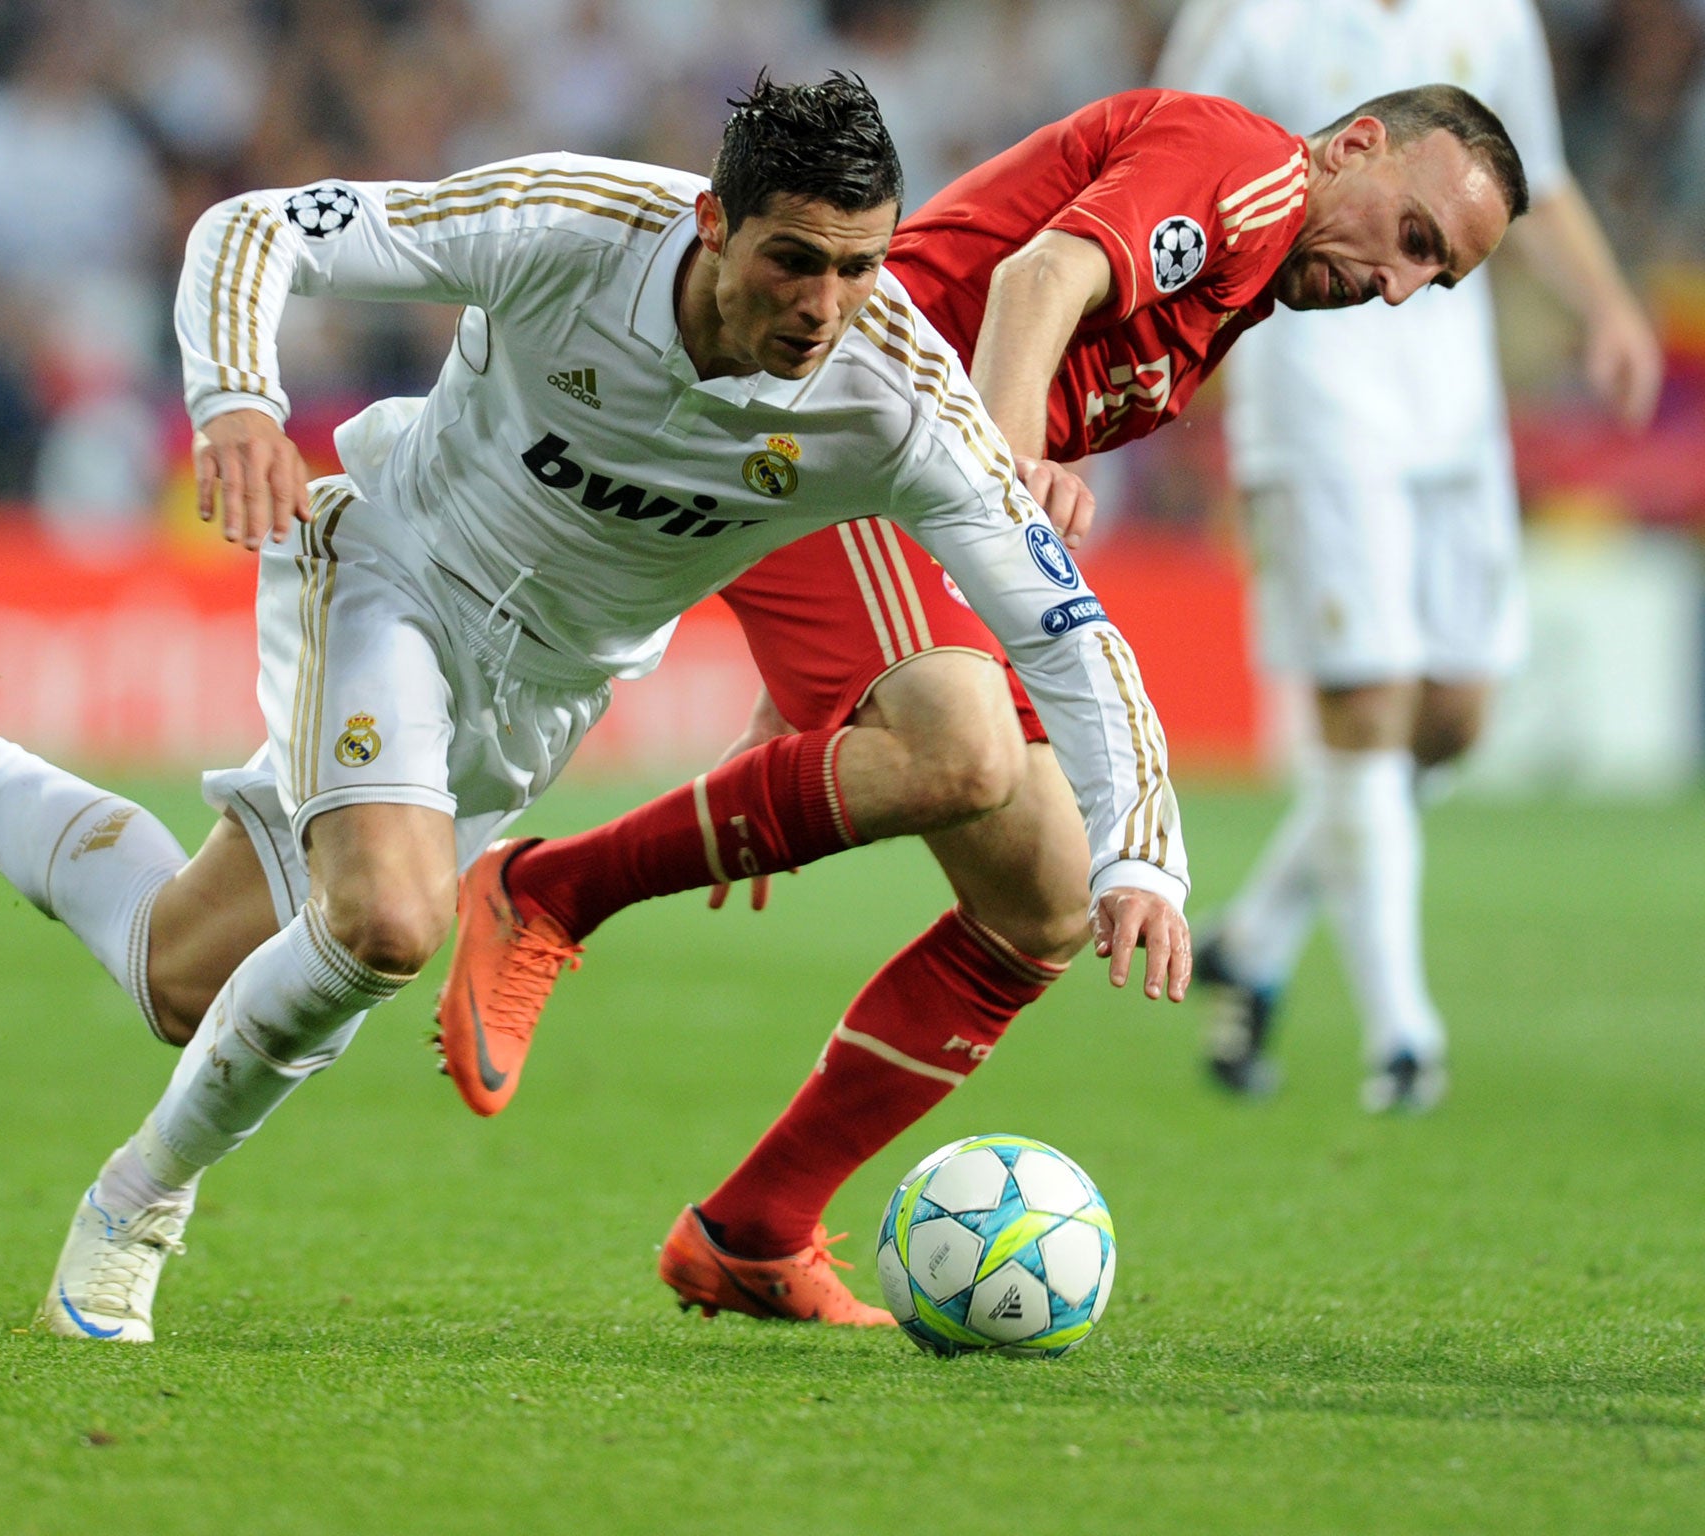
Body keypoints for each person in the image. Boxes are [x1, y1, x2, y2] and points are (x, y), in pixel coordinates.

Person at [0, 74, 1191, 1343]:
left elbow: (1064, 634)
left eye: (862, 268)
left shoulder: (895, 398)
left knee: (180, 976)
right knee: (394, 924)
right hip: (394, 577)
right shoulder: (573, 227)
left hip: (541, 698)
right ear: (714, 225)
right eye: (795, 260)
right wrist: (234, 397)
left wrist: (1140, 853)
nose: (826, 307)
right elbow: (254, 228)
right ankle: (133, 1212)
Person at [435, 82, 1527, 1317]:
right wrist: (1001, 477)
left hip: (883, 486)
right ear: (1356, 145)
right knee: (959, 752)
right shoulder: (1246, 170)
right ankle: (544, 892)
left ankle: (753, 1228)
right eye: (1414, 238)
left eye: (1430, 282)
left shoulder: (1248, 276)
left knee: (1046, 900)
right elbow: (1038, 279)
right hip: (854, 436)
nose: (1396, 287)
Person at [1157, 1, 1662, 1111]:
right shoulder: (1251, 16)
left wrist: (1608, 309)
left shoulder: (1489, 14)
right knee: (1367, 702)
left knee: (1451, 720)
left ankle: (1256, 932)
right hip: (1314, 391)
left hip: (1449, 406)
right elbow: (1172, 154)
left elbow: (1542, 180)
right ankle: (1401, 1036)